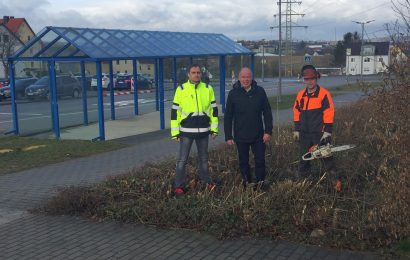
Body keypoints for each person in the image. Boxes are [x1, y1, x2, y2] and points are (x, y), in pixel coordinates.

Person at [170, 64, 219, 196]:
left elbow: (213, 111)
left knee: (203, 159)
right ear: (188, 74)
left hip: (203, 131)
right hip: (186, 131)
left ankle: (206, 182)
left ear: (201, 74)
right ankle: (178, 186)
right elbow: (175, 112)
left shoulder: (208, 89)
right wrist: (175, 132)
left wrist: (214, 129)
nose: (196, 74)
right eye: (193, 72)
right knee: (182, 160)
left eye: (198, 72)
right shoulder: (180, 89)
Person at [224, 67, 273, 190]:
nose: (246, 79)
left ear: (251, 78)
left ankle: (260, 184)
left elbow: (267, 113)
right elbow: (228, 116)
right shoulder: (233, 94)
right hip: (240, 136)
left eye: (248, 77)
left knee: (260, 161)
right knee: (243, 162)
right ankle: (247, 183)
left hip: (258, 135)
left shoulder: (260, 92)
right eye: (243, 77)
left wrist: (268, 131)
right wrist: (228, 136)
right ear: (239, 78)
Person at [293, 65, 337, 184]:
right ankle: (304, 183)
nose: (310, 81)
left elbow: (329, 112)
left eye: (312, 79)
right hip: (304, 133)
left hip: (320, 133)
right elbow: (297, 112)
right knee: (304, 159)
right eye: (307, 79)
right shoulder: (300, 95)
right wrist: (296, 129)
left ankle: (334, 183)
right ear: (304, 80)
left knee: (327, 159)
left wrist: (327, 131)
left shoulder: (324, 94)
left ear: (316, 78)